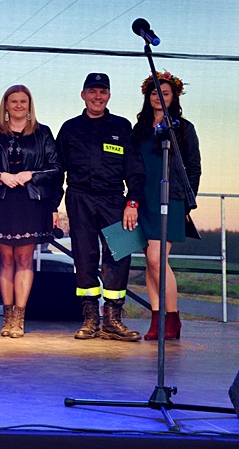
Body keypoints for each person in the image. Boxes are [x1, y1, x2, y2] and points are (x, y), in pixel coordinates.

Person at [56, 73, 145, 342]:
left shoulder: (122, 126)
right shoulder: (70, 128)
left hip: (115, 200)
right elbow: (57, 170)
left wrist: (132, 202)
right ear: (83, 95)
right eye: (92, 91)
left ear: (109, 95)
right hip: (79, 199)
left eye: (103, 92)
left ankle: (113, 321)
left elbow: (135, 170)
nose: (98, 97)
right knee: (84, 257)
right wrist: (53, 206)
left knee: (120, 256)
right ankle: (90, 320)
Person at [0, 85, 63, 338]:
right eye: (13, 101)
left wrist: (31, 174)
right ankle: (7, 318)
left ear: (29, 104)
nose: (18, 105)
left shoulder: (43, 133)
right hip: (1, 201)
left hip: (31, 202)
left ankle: (19, 319)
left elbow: (57, 168)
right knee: (6, 260)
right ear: (6, 105)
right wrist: (0, 175)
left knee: (25, 260)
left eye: (23, 101)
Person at [133, 71, 201, 340]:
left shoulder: (183, 128)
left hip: (170, 198)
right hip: (144, 198)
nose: (159, 98)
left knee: (157, 259)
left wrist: (187, 204)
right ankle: (157, 318)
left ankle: (172, 318)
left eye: (165, 93)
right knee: (150, 263)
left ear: (174, 97)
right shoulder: (139, 128)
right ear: (147, 96)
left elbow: (193, 167)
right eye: (154, 93)